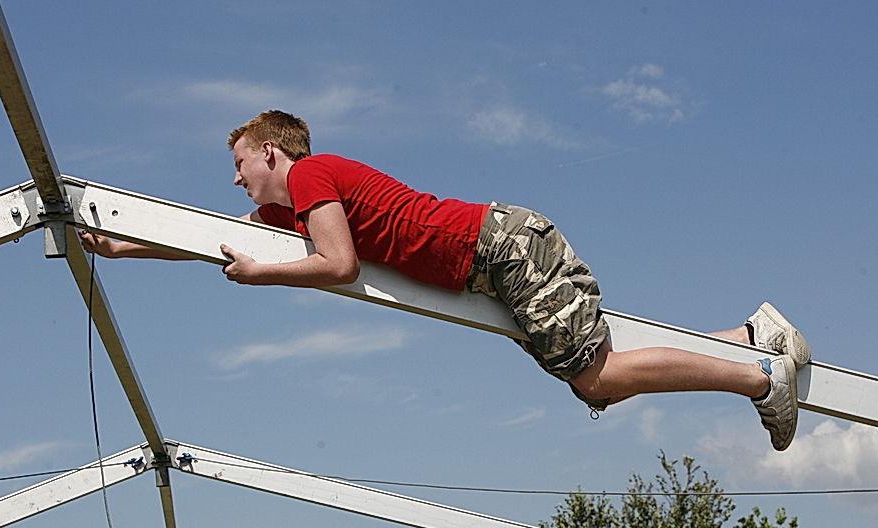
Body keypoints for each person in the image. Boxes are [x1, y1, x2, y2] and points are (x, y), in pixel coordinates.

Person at [79, 110, 810, 450]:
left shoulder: (309, 177)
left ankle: (760, 378)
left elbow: (339, 266)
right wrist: (121, 246)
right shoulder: (297, 209)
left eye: (240, 162)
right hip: (498, 256)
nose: (235, 176)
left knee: (599, 380)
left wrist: (261, 279)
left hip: (500, 250)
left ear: (270, 153)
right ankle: (751, 338)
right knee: (602, 372)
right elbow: (211, 241)